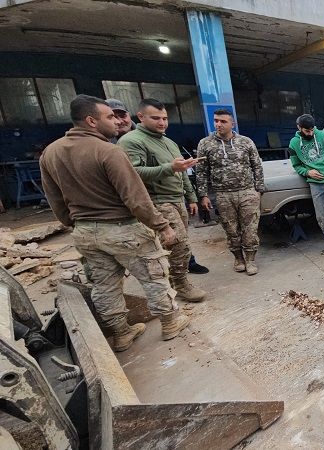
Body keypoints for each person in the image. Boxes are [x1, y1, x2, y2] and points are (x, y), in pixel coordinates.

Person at [39, 94, 191, 350]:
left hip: (85, 232)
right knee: (153, 277)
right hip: (123, 228)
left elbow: (54, 198)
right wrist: (161, 225)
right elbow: (135, 197)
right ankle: (170, 322)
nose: (117, 121)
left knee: (104, 284)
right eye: (109, 116)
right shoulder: (109, 151)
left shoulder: (50, 153)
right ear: (91, 121)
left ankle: (121, 333)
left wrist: (73, 222)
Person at [118, 98, 207, 302]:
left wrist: (191, 197)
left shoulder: (168, 141)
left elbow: (182, 171)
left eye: (165, 118)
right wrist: (170, 168)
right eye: (156, 118)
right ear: (140, 117)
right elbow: (133, 173)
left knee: (175, 246)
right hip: (157, 201)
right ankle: (180, 285)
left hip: (177, 200)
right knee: (178, 245)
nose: (162, 122)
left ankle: (172, 284)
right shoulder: (132, 141)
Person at [196, 109, 265, 275]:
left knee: (250, 229)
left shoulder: (246, 142)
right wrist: (203, 195)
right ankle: (238, 259)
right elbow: (201, 171)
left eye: (223, 121)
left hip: (247, 192)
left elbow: (257, 166)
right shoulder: (205, 144)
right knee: (230, 229)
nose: (218, 124)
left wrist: (259, 189)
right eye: (216, 121)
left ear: (232, 124)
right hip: (223, 194)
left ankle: (250, 259)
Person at [288, 114, 324, 258]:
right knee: (321, 216)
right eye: (307, 131)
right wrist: (307, 172)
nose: (311, 133)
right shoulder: (294, 144)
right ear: (299, 128)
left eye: (312, 130)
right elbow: (296, 165)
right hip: (315, 184)